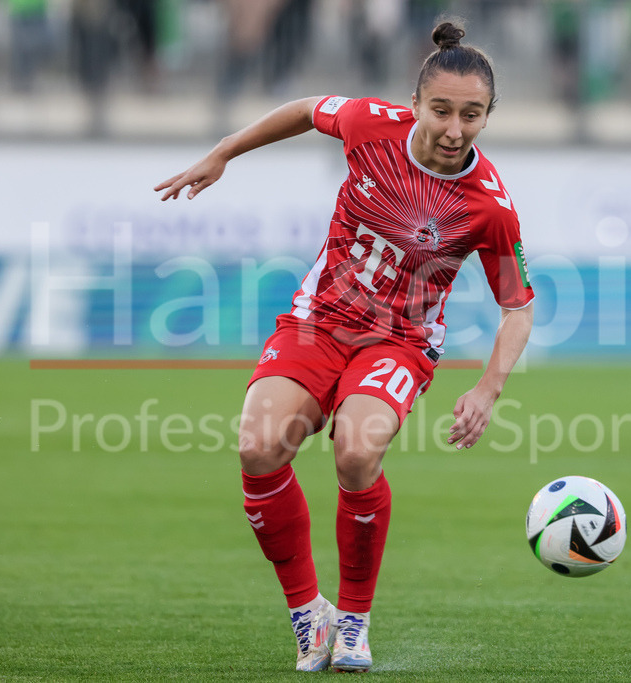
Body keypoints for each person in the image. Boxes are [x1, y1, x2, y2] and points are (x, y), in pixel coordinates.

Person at [155, 19, 533, 673]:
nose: (453, 129)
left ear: (487, 116)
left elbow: (517, 306)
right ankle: (310, 613)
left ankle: (353, 621)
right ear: (415, 104)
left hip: (400, 341)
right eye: (441, 110)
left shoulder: (490, 206)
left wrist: (487, 387)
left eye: (471, 115)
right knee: (258, 444)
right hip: (318, 321)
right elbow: (306, 109)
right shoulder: (369, 125)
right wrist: (226, 150)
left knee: (357, 451)